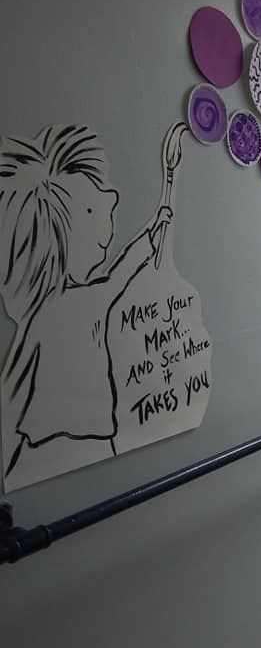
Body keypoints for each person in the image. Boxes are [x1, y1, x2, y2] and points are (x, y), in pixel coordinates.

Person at [0, 124, 173, 482]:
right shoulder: (61, 309)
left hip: (78, 442)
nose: (108, 221)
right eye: (91, 212)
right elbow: (116, 281)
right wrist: (149, 240)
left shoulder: (55, 310)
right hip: (68, 445)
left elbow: (116, 279)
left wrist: (151, 236)